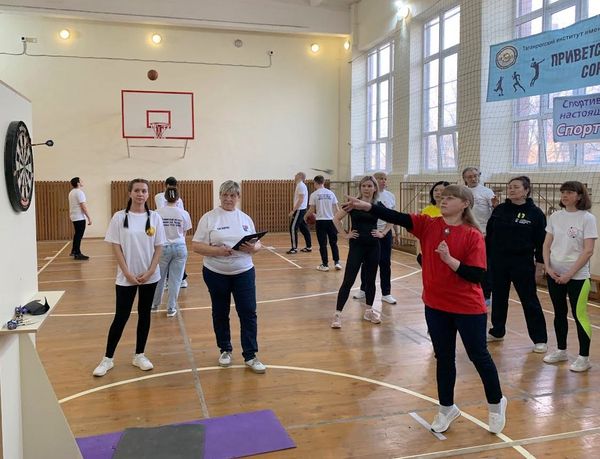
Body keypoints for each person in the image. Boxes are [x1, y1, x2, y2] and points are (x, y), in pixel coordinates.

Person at [342, 185, 507, 434]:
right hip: (436, 306)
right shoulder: (428, 224)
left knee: (479, 356)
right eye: (443, 196)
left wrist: (449, 260)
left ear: (465, 204)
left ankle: (496, 404)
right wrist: (368, 207)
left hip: (467, 308)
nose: (443, 200)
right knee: (444, 358)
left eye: (450, 197)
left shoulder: (473, 234)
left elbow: (476, 275)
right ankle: (446, 408)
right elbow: (397, 217)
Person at [92, 178, 166, 377]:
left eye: (144, 191)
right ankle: (107, 359)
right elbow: (116, 246)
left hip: (150, 276)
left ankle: (139, 355)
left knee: (144, 314)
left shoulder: (155, 218)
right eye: (137, 190)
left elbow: (159, 247)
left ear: (148, 194)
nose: (140, 194)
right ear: (130, 193)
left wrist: (150, 271)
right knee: (121, 316)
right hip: (126, 277)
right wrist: (126, 272)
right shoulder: (119, 217)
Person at [192, 180, 266, 374]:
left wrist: (254, 248)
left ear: (238, 197)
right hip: (215, 273)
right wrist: (217, 252)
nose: (228, 199)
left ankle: (250, 355)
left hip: (244, 272)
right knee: (220, 312)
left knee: (248, 312)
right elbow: (196, 245)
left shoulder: (245, 219)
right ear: (220, 196)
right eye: (225, 195)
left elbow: (257, 244)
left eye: (232, 195)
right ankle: (225, 349)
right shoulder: (209, 218)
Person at [485, 176, 548, 352]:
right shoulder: (500, 210)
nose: (512, 190)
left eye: (516, 187)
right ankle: (497, 331)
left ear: (526, 190)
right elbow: (490, 236)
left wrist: (540, 265)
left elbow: (541, 242)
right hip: (498, 261)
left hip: (522, 263)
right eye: (510, 187)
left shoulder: (535, 213)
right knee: (499, 297)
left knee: (529, 300)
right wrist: (486, 259)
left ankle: (540, 339)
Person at [543, 181, 597, 372]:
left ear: (580, 196)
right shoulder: (555, 216)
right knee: (559, 313)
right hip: (555, 275)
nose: (565, 195)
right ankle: (561, 350)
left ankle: (584, 357)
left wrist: (569, 274)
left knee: (579, 314)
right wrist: (548, 268)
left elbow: (588, 251)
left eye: (570, 192)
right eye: (563, 192)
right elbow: (547, 244)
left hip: (578, 277)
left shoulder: (587, 218)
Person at [331, 176, 383, 328]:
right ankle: (337, 314)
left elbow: (392, 219)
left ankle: (369, 311)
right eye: (364, 186)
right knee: (348, 280)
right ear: (360, 188)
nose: (366, 188)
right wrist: (345, 234)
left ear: (375, 188)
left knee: (370, 280)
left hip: (373, 246)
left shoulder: (378, 205)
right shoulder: (353, 204)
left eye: (369, 186)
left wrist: (383, 233)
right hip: (357, 246)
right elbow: (336, 219)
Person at [354, 171, 397, 304]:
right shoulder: (365, 197)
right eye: (380, 178)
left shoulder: (390, 196)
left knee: (385, 263)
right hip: (369, 233)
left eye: (385, 179)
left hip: (384, 233)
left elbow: (392, 216)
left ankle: (386, 293)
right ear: (374, 181)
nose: (383, 181)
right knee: (366, 263)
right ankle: (363, 289)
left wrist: (387, 232)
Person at [151, 186, 192, 317]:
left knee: (159, 278)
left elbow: (153, 232)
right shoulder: (184, 213)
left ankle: (155, 304)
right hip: (180, 247)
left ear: (165, 197)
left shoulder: (157, 213)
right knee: (176, 280)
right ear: (178, 198)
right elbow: (184, 232)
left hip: (163, 248)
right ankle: (171, 308)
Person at [463, 167, 496, 304]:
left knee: (484, 263)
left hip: (483, 233)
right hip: (466, 233)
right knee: (467, 262)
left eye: (476, 175)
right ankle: (468, 291)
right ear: (465, 179)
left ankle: (486, 295)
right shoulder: (462, 192)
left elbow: (495, 211)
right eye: (470, 176)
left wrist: (496, 205)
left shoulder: (487, 192)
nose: (473, 178)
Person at [154, 176, 189, 288]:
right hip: (166, 229)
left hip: (172, 230)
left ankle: (180, 279)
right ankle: (167, 280)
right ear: (166, 186)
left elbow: (180, 213)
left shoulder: (178, 199)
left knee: (175, 258)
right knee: (173, 257)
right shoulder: (160, 197)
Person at [305, 175, 341, 271]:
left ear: (315, 183)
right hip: (331, 221)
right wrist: (339, 219)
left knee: (323, 244)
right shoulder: (331, 193)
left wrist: (305, 216)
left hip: (321, 222)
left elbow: (311, 210)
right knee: (334, 243)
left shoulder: (314, 194)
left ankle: (325, 265)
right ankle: (337, 262)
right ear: (323, 182)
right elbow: (336, 209)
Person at [417, 181, 449, 266]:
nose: (438, 193)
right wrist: (419, 251)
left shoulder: (452, 210)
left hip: (445, 252)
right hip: (427, 251)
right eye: (435, 190)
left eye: (442, 190)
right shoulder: (426, 210)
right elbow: (420, 233)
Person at [286, 171, 312, 254]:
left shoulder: (301, 185)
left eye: (296, 175)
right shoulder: (300, 185)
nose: (294, 176)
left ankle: (294, 248)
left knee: (293, 228)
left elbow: (301, 199)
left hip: (299, 210)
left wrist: (293, 210)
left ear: (300, 176)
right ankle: (309, 247)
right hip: (302, 209)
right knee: (304, 228)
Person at [68, 177, 92, 260]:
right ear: (78, 183)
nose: (82, 181)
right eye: (81, 180)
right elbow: (83, 206)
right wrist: (89, 217)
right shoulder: (79, 192)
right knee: (79, 235)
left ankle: (74, 250)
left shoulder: (71, 192)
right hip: (79, 217)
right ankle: (77, 253)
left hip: (74, 216)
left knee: (77, 234)